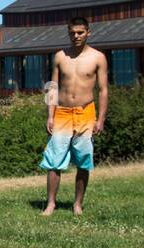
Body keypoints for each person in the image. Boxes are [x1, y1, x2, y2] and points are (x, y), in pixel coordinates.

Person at [40, 16, 108, 215]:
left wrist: (100, 119)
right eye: (72, 33)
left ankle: (77, 204)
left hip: (86, 112)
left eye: (80, 32)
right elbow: (52, 86)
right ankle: (51, 203)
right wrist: (50, 115)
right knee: (54, 159)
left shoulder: (98, 57)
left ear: (88, 32)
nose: (76, 36)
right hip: (62, 112)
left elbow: (103, 90)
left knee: (83, 160)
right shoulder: (60, 56)